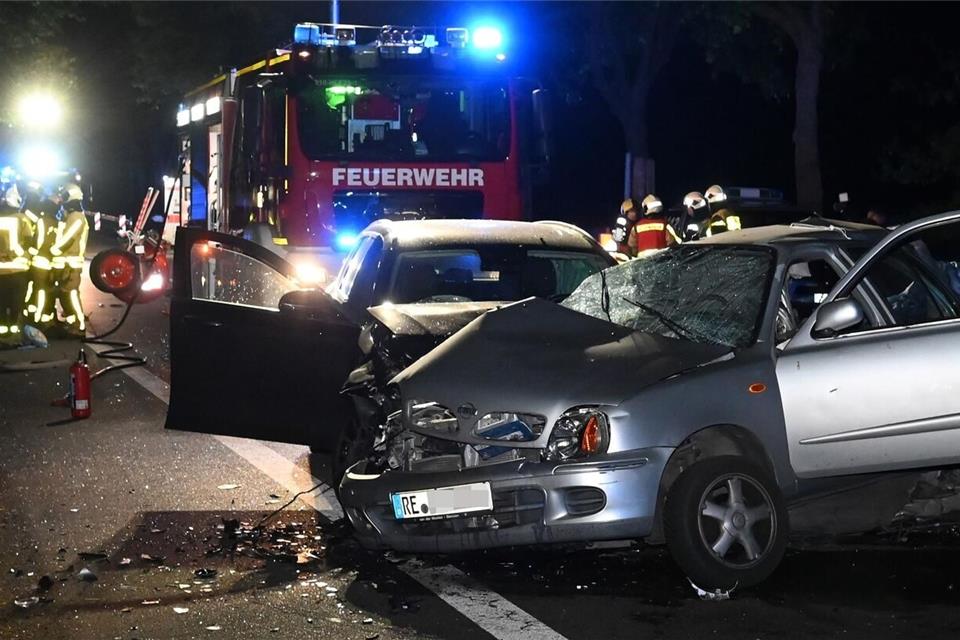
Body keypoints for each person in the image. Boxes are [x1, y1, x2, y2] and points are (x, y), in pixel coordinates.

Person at [48, 182, 89, 337]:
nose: (61, 199)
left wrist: (53, 250)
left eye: (63, 196)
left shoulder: (77, 217)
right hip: (67, 263)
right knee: (65, 295)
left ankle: (79, 326)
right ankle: (72, 324)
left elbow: (68, 238)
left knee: (71, 295)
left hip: (72, 264)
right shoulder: (70, 216)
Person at [0, 184, 33, 346]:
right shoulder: (22, 219)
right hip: (18, 270)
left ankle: (2, 334)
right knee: (17, 303)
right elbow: (30, 242)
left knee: (1, 303)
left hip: (1, 271)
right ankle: (15, 335)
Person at [21, 182, 58, 328]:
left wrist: (31, 252)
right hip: (46, 261)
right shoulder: (54, 221)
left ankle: (33, 315)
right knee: (41, 289)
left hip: (36, 260)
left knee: (35, 288)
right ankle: (39, 315)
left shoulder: (31, 213)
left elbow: (37, 240)